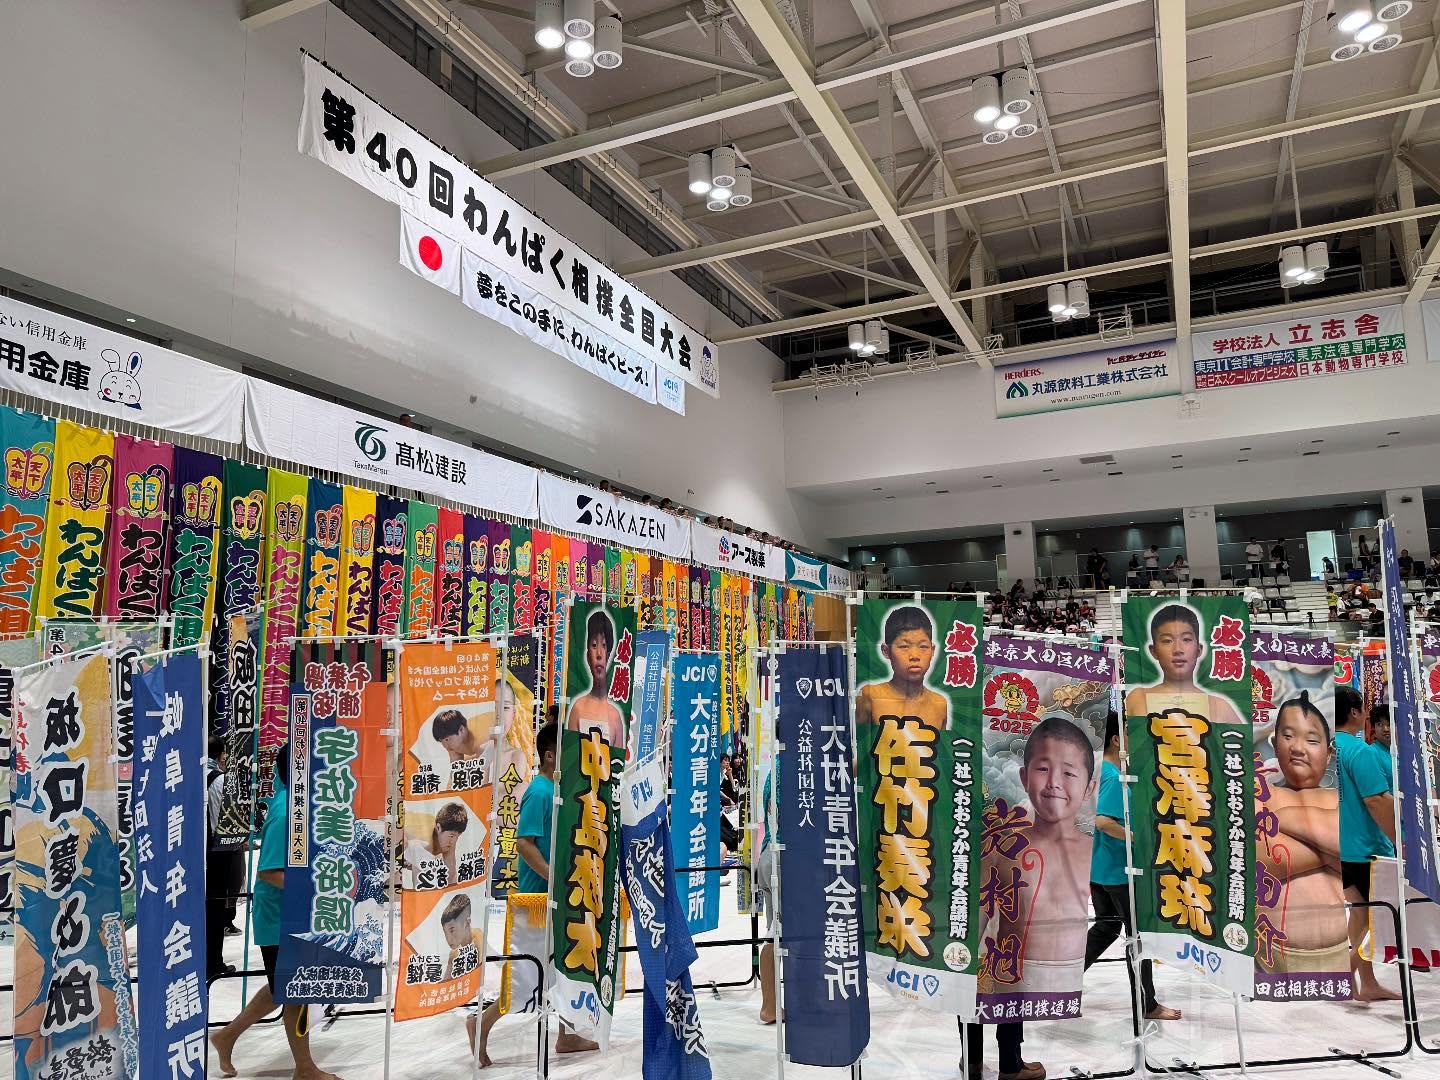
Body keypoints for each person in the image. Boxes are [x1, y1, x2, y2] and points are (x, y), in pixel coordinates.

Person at [211, 748, 346, 1080]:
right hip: (280, 919)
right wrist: (316, 888)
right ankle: (305, 1069)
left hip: (289, 916)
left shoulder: (298, 806)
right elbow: (269, 871)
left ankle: (227, 1036)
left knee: (282, 988)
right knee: (294, 992)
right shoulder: (287, 812)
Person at [470, 722, 598, 1065]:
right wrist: (553, 877)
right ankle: (480, 1023)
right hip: (537, 901)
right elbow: (524, 843)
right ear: (550, 756)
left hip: (556, 896)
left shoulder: (555, 790)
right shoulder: (539, 792)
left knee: (563, 968)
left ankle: (567, 1035)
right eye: (567, 753)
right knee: (526, 977)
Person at [989, 715, 1096, 999]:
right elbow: (975, 925)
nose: (1054, 783)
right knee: (1009, 1024)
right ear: (1025, 778)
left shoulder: (1092, 851)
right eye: (1043, 769)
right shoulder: (1004, 850)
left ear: (1089, 788)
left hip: (1070, 974)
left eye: (1069, 773)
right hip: (1012, 976)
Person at [1084, 711, 1179, 1021]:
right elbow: (1103, 821)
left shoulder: (1100, 771)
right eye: (1127, 731)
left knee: (1107, 927)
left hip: (1099, 869)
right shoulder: (1112, 777)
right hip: (1118, 872)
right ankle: (1147, 1004)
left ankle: (1061, 982)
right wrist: (1138, 837)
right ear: (1116, 739)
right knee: (1139, 937)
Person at [1256, 694, 1348, 978]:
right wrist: (1331, 852)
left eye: (1311, 740)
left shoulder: (1341, 799)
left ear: (1328, 753)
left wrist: (1284, 818)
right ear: (1275, 743)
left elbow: (1356, 852)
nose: (1298, 748)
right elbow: (1263, 860)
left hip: (1343, 950)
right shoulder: (1260, 794)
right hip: (1270, 950)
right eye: (1288, 736)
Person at [1334, 685, 1401, 1002]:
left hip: (1338, 848)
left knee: (1361, 916)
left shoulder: (1327, 748)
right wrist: (1399, 841)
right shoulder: (1359, 751)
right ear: (1354, 712)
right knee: (1384, 918)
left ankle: (1368, 984)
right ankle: (1341, 976)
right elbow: (1376, 800)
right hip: (1367, 850)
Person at [1123, 603, 1244, 725]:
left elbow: (1241, 736)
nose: (1178, 649)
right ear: (1153, 651)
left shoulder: (1220, 706)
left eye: (1186, 639)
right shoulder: (1138, 698)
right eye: (1167, 641)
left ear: (1199, 649)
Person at [854, 605, 947, 730]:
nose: (915, 656)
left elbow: (942, 743)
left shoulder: (940, 704)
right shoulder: (870, 695)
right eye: (904, 646)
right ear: (886, 651)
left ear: (932, 650)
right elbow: (859, 740)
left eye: (923, 646)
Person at [206, 737, 244, 983]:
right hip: (219, 852)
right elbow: (228, 817)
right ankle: (214, 963)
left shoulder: (189, 776)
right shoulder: (220, 780)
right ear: (221, 755)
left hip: (195, 853)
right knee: (216, 907)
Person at [566, 609, 624, 744]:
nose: (599, 654)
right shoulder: (578, 708)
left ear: (608, 655)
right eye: (594, 645)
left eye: (604, 645)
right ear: (587, 657)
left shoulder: (615, 716)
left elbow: (618, 757)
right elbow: (571, 754)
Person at [405, 801, 470, 887]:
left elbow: (451, 883)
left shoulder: (448, 855)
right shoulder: (416, 847)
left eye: (457, 837)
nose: (453, 842)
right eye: (451, 836)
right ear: (438, 828)